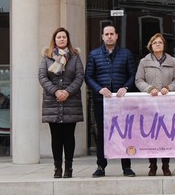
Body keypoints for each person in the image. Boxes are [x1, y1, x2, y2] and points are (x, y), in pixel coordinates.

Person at [85, 25, 137, 178]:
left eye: (111, 34)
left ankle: (126, 167)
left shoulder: (126, 54)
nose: (109, 36)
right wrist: (99, 89)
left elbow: (133, 75)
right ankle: (101, 166)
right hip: (102, 101)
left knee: (124, 133)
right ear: (102, 37)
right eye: (106, 34)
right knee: (101, 134)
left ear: (116, 36)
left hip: (121, 102)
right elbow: (88, 77)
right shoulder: (94, 54)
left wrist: (126, 87)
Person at [38, 27, 85, 178]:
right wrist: (56, 91)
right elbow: (42, 77)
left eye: (64, 37)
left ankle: (69, 168)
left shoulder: (75, 57)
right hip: (53, 101)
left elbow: (79, 77)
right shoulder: (47, 57)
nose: (62, 39)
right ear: (54, 40)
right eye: (59, 37)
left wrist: (67, 92)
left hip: (71, 101)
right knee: (56, 138)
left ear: (67, 39)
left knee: (69, 137)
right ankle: (57, 168)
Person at [135, 33, 175, 176]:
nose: (157, 44)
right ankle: (153, 165)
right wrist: (149, 88)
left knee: (166, 135)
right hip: (150, 103)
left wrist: (169, 88)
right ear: (150, 45)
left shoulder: (172, 61)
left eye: (160, 42)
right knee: (152, 135)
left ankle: (166, 165)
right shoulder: (144, 62)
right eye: (154, 42)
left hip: (167, 103)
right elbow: (138, 80)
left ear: (164, 45)